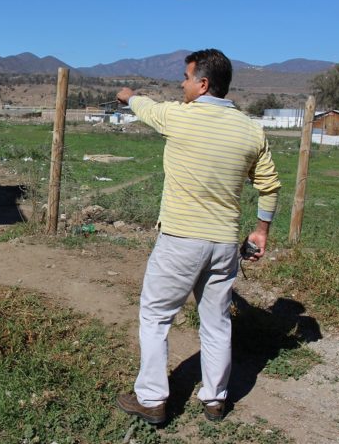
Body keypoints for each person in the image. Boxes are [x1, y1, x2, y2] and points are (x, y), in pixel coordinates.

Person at [114, 49, 281, 424]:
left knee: (156, 316)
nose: (181, 84)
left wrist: (127, 95)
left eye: (186, 78)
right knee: (217, 321)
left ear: (203, 84)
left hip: (180, 240)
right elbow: (269, 186)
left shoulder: (179, 117)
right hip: (223, 245)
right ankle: (215, 399)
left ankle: (153, 399)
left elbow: (146, 106)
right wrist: (260, 230)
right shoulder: (251, 130)